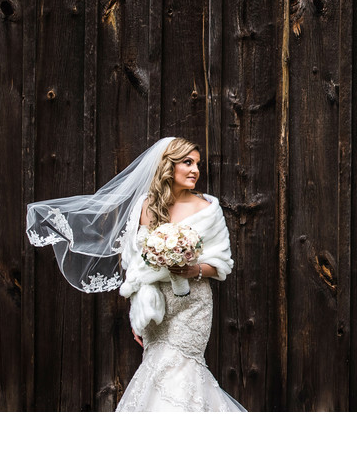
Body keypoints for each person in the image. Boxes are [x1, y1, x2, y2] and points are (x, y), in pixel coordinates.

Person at [27, 137, 245, 411]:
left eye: (197, 164)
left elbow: (221, 263)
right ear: (169, 166)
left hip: (193, 306)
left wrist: (193, 269)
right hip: (156, 306)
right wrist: (137, 314)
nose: (195, 170)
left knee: (182, 371)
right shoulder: (146, 206)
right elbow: (136, 265)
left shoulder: (208, 209)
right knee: (156, 372)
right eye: (187, 163)